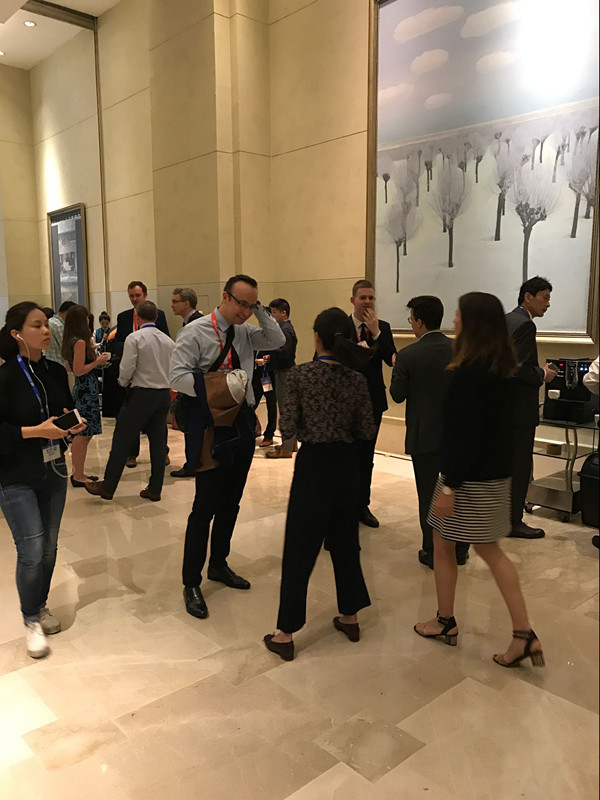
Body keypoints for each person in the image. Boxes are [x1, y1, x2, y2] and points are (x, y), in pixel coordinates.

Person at [414, 292, 545, 670]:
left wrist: (450, 486)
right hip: (493, 477)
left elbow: (462, 436)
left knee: (465, 548)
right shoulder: (502, 368)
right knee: (464, 546)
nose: (454, 320)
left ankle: (515, 632)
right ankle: (453, 620)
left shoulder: (468, 372)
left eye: (460, 315)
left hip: (467, 480)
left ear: (473, 323)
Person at [170, 274, 285, 620]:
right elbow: (176, 376)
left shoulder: (247, 332)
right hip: (211, 426)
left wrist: (261, 311)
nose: (245, 312)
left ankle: (219, 563)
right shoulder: (196, 332)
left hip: (243, 423)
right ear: (225, 297)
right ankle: (191, 581)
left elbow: (277, 339)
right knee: (204, 506)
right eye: (241, 304)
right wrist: (220, 387)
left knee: (232, 501)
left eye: (251, 305)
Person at [264, 308, 375, 662]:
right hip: (346, 466)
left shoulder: (300, 376)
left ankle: (285, 634)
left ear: (317, 337)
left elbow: (288, 427)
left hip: (313, 466)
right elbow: (366, 429)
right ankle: (350, 617)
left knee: (300, 546)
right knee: (345, 543)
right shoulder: (357, 379)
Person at [0, 302, 86, 659]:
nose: (46, 330)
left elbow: (62, 411)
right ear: (17, 333)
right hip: (14, 474)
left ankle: (40, 603)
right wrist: (37, 431)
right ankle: (30, 619)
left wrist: (69, 425)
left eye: (46, 324)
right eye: (36, 325)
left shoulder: (54, 371)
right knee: (32, 550)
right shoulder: (5, 376)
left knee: (49, 547)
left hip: (53, 471)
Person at [390, 296, 469, 569]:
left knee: (428, 493)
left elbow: (397, 395)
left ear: (420, 322)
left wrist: (397, 368)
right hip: (458, 434)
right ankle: (460, 550)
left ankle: (433, 550)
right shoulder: (461, 349)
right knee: (457, 491)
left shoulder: (408, 355)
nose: (411, 324)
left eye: (411, 320)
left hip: (424, 435)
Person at [86, 301, 175, 501]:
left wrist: (122, 382)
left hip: (141, 395)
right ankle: (155, 488)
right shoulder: (169, 341)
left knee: (122, 439)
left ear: (137, 317)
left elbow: (127, 367)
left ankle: (108, 486)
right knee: (158, 443)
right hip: (163, 395)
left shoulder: (135, 338)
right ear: (156, 317)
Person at [506, 277, 557, 539]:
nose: (548, 304)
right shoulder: (525, 325)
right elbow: (520, 369)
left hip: (501, 407)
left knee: (504, 465)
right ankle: (513, 522)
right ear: (528, 296)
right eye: (545, 298)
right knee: (519, 466)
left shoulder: (505, 320)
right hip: (519, 410)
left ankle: (501, 517)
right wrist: (543, 374)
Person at [349, 280, 396, 528]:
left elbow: (391, 359)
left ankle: (362, 505)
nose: (367, 302)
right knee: (347, 456)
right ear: (353, 300)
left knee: (366, 456)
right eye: (363, 297)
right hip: (346, 403)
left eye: (371, 298)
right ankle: (344, 505)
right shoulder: (342, 326)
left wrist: (376, 333)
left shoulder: (383, 327)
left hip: (372, 401)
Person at [114, 281, 170, 468]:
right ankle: (132, 454)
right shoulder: (123, 317)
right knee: (131, 423)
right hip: (133, 376)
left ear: (145, 295)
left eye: (137, 295)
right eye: (131, 296)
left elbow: (164, 339)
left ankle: (163, 453)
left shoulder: (158, 315)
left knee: (158, 425)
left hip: (154, 374)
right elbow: (117, 343)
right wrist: (133, 345)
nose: (134, 299)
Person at [61, 305, 110, 487]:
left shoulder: (70, 340)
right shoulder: (80, 342)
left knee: (84, 433)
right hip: (86, 390)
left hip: (81, 389)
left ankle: (79, 472)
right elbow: (79, 370)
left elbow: (70, 367)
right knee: (83, 434)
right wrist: (97, 361)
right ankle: (78, 475)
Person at [170, 288, 203, 478]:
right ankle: (193, 462)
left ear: (187, 303)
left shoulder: (196, 323)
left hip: (197, 380)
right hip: (195, 379)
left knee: (194, 425)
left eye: (175, 301)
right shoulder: (191, 322)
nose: (172, 305)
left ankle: (193, 464)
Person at [264, 298, 298, 459]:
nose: (271, 315)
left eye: (274, 312)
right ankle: (291, 444)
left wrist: (270, 348)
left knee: (286, 411)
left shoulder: (284, 330)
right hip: (284, 372)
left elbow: (285, 352)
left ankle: (286, 448)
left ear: (283, 313)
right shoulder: (285, 328)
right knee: (287, 409)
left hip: (285, 373)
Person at [45, 300, 76, 365]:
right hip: (60, 363)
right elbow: (66, 349)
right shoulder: (59, 326)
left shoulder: (49, 321)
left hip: (49, 361)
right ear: (67, 313)